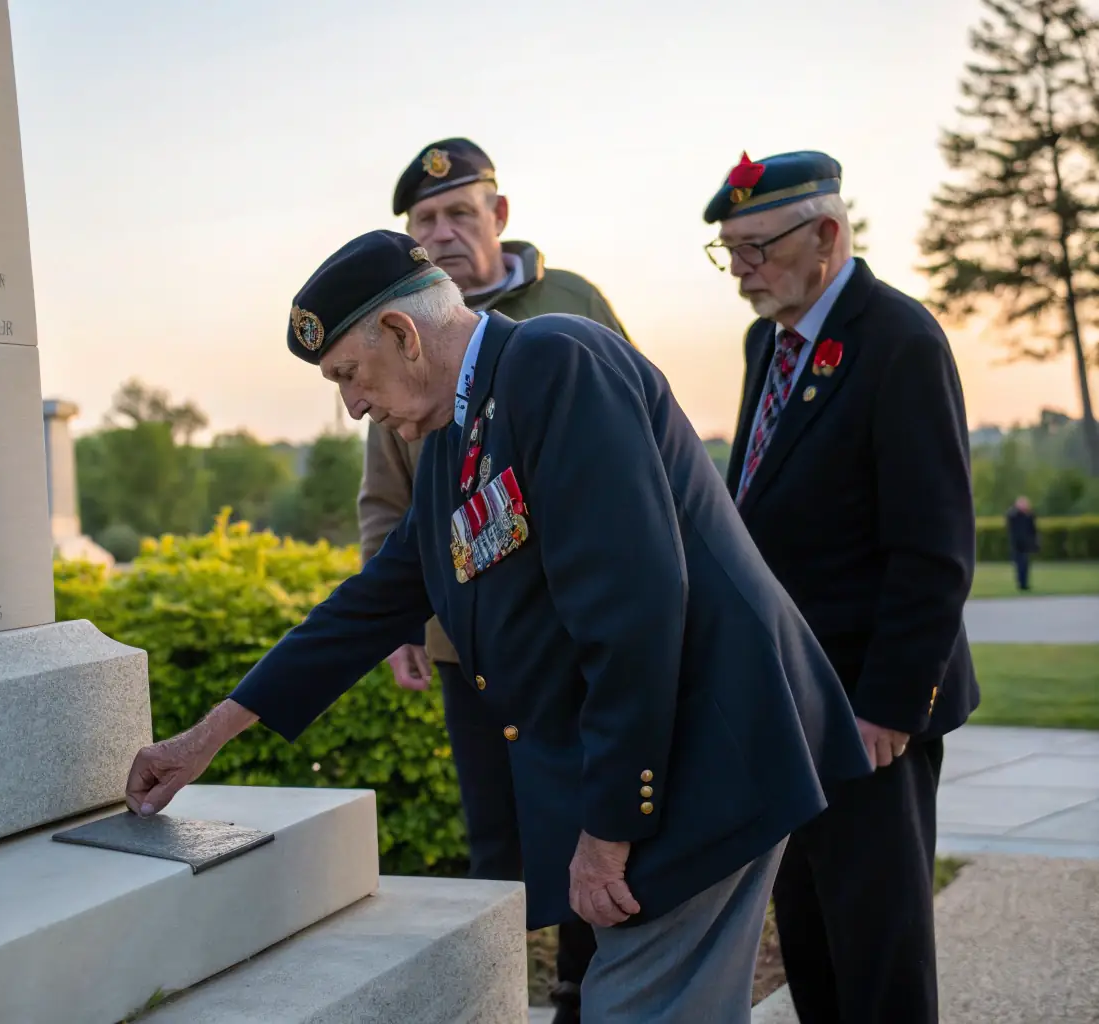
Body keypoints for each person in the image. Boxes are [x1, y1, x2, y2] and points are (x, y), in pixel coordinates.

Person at [126, 229, 871, 1023]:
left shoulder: (556, 361)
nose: (351, 405)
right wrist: (206, 736)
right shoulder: (457, 432)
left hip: (706, 752)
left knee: (635, 1006)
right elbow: (372, 602)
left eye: (348, 373)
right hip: (678, 754)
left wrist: (610, 828)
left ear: (403, 335)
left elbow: (635, 613)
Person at [704, 150, 980, 1023]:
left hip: (869, 709)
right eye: (727, 253)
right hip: (794, 700)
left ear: (824, 233)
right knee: (813, 940)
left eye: (754, 249)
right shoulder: (769, 340)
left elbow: (933, 547)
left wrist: (889, 707)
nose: (741, 273)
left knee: (879, 952)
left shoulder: (896, 337)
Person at [358, 136, 629, 1021]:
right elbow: (386, 503)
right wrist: (397, 619)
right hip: (460, 639)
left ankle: (580, 989)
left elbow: (625, 438)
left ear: (498, 216)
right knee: (497, 835)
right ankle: (493, 993)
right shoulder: (387, 331)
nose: (439, 234)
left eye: (457, 214)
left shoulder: (567, 307)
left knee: (593, 816)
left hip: (567, 632)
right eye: (423, 221)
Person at [1006, 496, 1039, 590]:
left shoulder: (1029, 516)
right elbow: (1009, 519)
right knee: (1019, 564)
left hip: (1026, 544)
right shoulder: (1013, 515)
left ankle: (1025, 583)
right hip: (1017, 544)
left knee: (1025, 564)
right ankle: (1021, 584)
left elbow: (1033, 529)